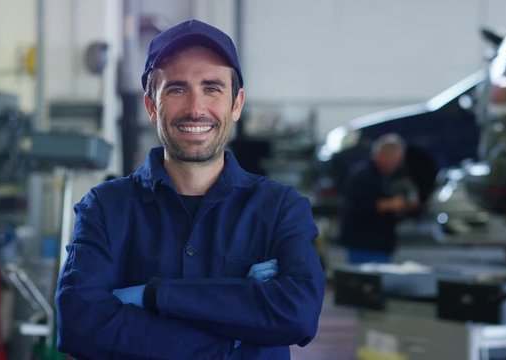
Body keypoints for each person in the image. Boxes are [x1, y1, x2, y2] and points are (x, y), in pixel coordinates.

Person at [55, 19, 325, 359]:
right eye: (176, 89)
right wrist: (231, 335)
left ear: (237, 103)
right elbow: (79, 325)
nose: (196, 108)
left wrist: (154, 297)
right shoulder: (106, 208)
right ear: (152, 106)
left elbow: (298, 315)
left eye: (212, 88)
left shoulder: (279, 208)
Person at [338, 133, 419, 263]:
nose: (397, 165)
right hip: (364, 244)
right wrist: (392, 204)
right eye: (395, 160)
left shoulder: (385, 176)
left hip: (380, 244)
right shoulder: (362, 176)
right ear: (384, 155)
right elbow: (358, 205)